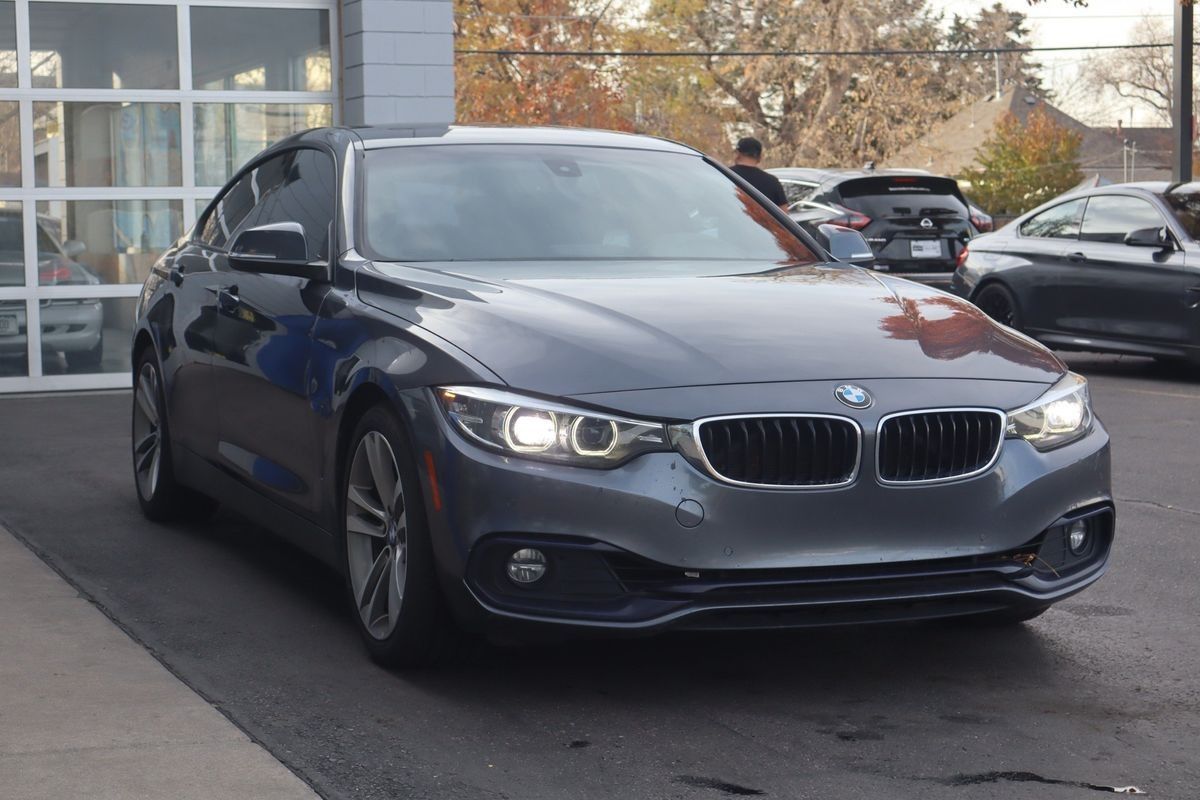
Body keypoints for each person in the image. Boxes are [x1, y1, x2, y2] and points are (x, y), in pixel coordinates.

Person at [729, 137, 789, 210]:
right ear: (759, 157)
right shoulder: (772, 181)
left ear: (737, 154)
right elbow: (783, 212)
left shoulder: (724, 175)